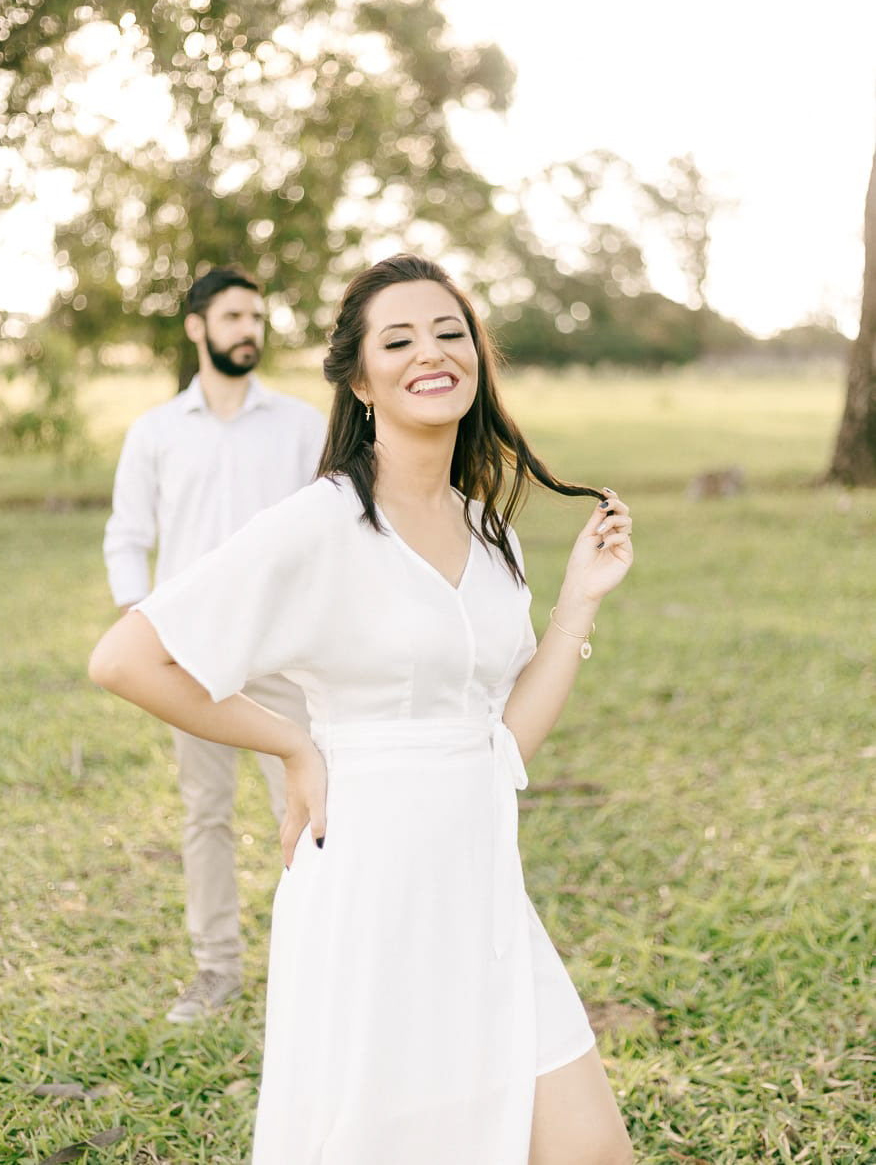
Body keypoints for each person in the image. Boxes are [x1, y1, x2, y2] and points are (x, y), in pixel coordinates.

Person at [90, 254, 635, 1164]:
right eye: (399, 339)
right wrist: (292, 744)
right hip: (366, 893)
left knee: (592, 1151)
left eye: (451, 332)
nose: (432, 352)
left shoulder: (490, 537)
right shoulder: (320, 523)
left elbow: (502, 745)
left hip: (484, 894)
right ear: (359, 379)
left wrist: (578, 602)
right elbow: (125, 659)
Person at [102, 266, 326, 1023]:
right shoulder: (156, 431)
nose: (248, 330)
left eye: (256, 317)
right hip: (190, 658)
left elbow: (330, 531)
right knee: (205, 813)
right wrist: (144, 621)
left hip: (281, 652)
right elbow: (128, 536)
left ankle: (316, 963)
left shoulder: (301, 427)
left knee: (306, 806)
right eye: (233, 317)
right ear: (197, 327)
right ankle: (217, 969)